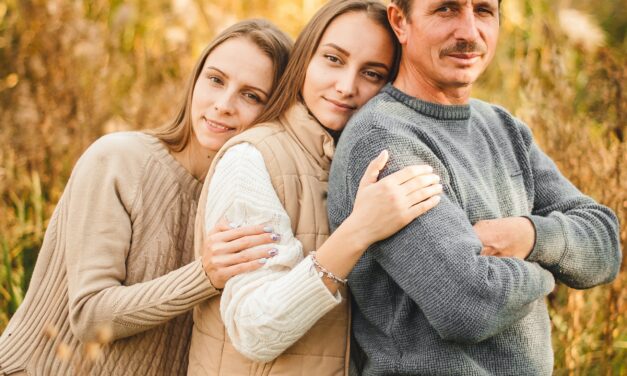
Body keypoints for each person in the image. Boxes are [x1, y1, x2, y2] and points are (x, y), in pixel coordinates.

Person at [327, 0, 622, 375]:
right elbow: (467, 305)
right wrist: (551, 274)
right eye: (446, 9)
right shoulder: (385, 139)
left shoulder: (502, 126)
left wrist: (528, 236)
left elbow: (606, 244)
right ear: (401, 21)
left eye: (483, 10)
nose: (468, 32)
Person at [0, 19, 293, 376]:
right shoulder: (119, 160)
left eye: (252, 95)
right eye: (215, 80)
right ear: (195, 80)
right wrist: (204, 275)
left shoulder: (246, 200)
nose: (223, 104)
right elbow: (90, 316)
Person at [188, 1, 443, 375]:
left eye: (371, 73)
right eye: (333, 59)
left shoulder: (357, 160)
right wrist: (358, 232)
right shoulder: (252, 159)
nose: (346, 87)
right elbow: (254, 331)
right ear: (305, 57)